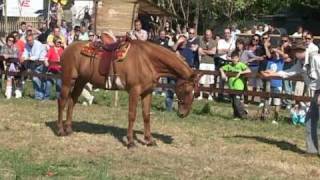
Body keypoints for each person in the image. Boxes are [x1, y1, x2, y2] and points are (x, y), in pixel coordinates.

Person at [262, 40, 320, 155]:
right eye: (294, 51)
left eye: (297, 51)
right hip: (316, 93)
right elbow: (289, 72)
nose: (295, 53)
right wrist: (272, 74)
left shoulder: (316, 59)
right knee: (309, 120)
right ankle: (312, 151)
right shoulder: (300, 63)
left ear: (302, 50)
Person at [220, 51, 251, 120]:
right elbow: (221, 68)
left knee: (237, 102)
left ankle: (244, 115)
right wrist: (222, 73)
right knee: (233, 102)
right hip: (231, 87)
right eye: (232, 58)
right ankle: (236, 116)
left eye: (235, 58)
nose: (234, 59)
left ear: (238, 58)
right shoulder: (229, 65)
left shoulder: (241, 65)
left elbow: (249, 70)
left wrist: (241, 72)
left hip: (239, 87)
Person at [261, 48, 285, 124]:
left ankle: (276, 118)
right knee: (266, 101)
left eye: (276, 53)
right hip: (269, 83)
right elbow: (266, 71)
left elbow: (284, 56)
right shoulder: (270, 62)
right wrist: (266, 72)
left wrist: (277, 50)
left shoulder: (281, 61)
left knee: (277, 102)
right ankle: (264, 117)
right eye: (273, 53)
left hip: (278, 84)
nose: (275, 54)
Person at [21, 35, 47, 100]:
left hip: (41, 63)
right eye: (28, 40)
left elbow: (36, 56)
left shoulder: (38, 44)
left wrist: (26, 58)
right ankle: (38, 96)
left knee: (40, 79)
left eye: (30, 40)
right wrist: (23, 57)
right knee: (35, 79)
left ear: (33, 39)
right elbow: (25, 52)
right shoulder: (26, 44)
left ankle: (41, 95)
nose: (29, 42)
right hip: (34, 64)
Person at [198, 29, 217, 100]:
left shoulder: (214, 42)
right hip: (202, 62)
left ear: (211, 35)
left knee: (211, 80)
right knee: (201, 79)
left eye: (209, 34)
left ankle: (210, 95)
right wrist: (208, 51)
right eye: (206, 34)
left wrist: (204, 51)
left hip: (211, 63)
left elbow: (213, 52)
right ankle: (200, 94)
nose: (207, 36)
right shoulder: (201, 41)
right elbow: (200, 52)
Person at [0, 35, 21, 99]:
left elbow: (16, 55)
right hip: (8, 65)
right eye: (9, 40)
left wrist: (8, 55)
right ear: (7, 40)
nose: (10, 41)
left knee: (16, 80)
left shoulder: (15, 47)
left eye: (12, 40)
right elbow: (1, 54)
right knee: (9, 78)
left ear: (13, 41)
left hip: (16, 65)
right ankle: (8, 95)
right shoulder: (4, 47)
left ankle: (18, 94)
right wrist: (3, 54)